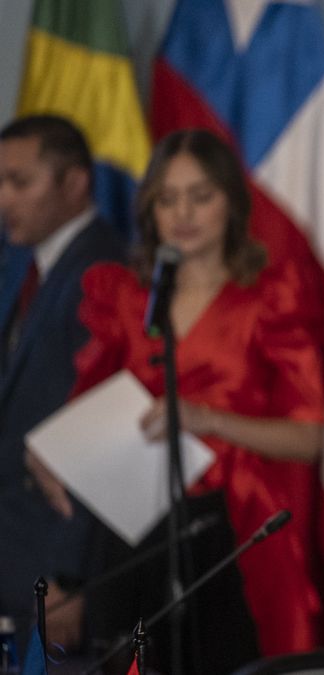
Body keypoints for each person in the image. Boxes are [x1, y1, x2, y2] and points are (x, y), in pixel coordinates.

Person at [31, 129, 324, 666]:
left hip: (237, 529)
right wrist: (51, 453)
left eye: (200, 196)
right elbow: (86, 412)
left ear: (231, 203)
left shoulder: (269, 296)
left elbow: (308, 439)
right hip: (133, 527)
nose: (183, 213)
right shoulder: (126, 297)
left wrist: (206, 419)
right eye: (167, 199)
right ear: (150, 210)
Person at [0, 114, 126, 650]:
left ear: (74, 183)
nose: (3, 200)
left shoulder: (104, 274)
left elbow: (103, 432)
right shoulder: (24, 263)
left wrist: (69, 577)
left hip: (53, 569)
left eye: (19, 182)